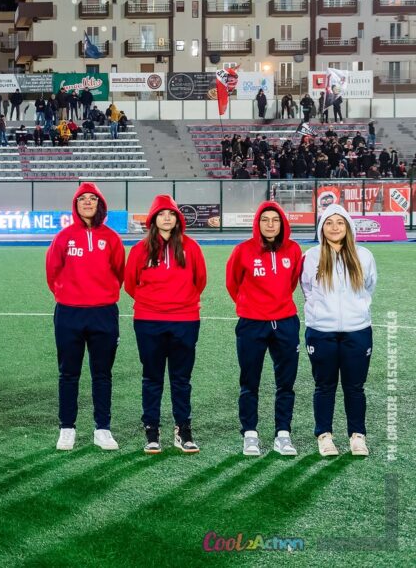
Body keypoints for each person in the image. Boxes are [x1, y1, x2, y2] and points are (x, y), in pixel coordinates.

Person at [124, 195, 207, 455]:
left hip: (185, 321)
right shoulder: (139, 250)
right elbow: (130, 284)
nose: (167, 218)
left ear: (178, 219)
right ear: (153, 219)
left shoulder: (191, 247)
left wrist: (183, 303)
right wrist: (152, 304)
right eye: (161, 214)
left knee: (181, 379)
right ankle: (152, 430)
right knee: (152, 377)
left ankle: (183, 430)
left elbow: (200, 280)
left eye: (171, 213)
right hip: (149, 321)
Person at [45, 184, 125, 451]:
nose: (88, 202)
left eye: (93, 198)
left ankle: (102, 429)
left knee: (102, 374)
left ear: (100, 204)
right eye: (82, 199)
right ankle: (67, 428)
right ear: (75, 205)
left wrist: (102, 295)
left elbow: (120, 272)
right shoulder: (63, 237)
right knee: (68, 374)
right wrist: (68, 295)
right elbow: (52, 271)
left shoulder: (112, 238)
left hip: (103, 313)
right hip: (69, 313)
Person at [225, 202, 304, 457]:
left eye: (275, 220)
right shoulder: (242, 250)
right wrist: (251, 306)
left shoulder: (293, 250)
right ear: (257, 223)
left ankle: (283, 434)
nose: (270, 224)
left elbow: (292, 282)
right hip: (252, 324)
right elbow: (232, 283)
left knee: (286, 383)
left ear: (282, 224)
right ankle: (250, 434)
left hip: (285, 322)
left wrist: (277, 306)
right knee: (250, 382)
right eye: (265, 219)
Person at [300, 205, 377, 457]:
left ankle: (357, 436)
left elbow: (369, 286)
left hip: (357, 331)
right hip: (321, 331)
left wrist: (356, 311)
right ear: (321, 227)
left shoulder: (364, 255)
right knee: (324, 386)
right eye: (329, 222)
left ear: (348, 227)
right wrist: (322, 313)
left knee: (355, 387)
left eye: (340, 222)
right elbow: (307, 289)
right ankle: (324, 435)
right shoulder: (311, 257)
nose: (335, 227)